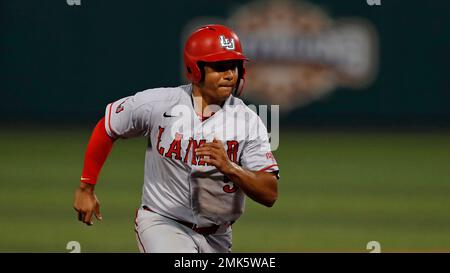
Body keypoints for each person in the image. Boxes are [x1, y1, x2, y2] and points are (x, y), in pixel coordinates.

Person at [73, 24, 280, 253]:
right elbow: (108, 127)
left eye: (233, 66)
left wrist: (230, 167)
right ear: (196, 70)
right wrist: (86, 188)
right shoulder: (160, 104)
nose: (230, 74)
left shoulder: (248, 121)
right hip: (162, 224)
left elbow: (269, 193)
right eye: (220, 67)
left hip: (218, 236)